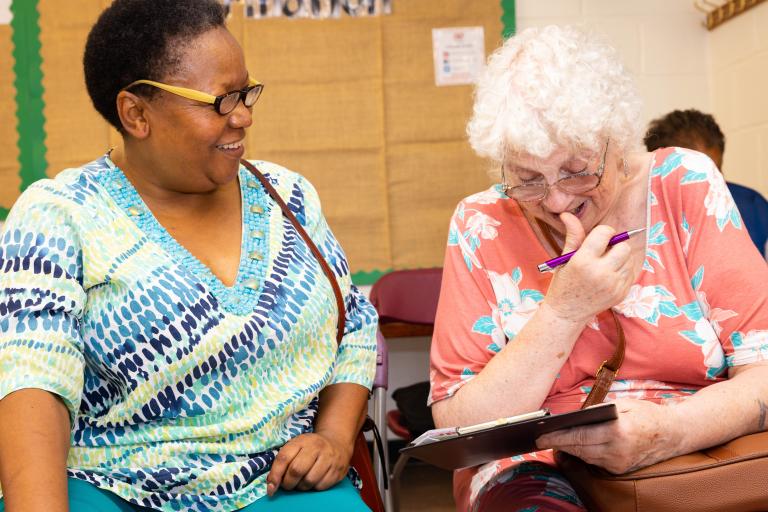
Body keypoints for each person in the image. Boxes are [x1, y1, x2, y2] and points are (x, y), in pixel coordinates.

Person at [0, 1, 377, 511]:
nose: (243, 116)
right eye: (220, 101)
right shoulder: (61, 214)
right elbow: (33, 384)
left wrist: (333, 435)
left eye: (246, 93)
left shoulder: (287, 197)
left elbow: (353, 325)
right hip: (113, 487)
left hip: (280, 483)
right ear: (136, 113)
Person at [429, 25, 768, 512]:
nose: (556, 200)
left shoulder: (684, 183)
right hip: (536, 466)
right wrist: (564, 311)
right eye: (528, 179)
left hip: (695, 452)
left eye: (576, 171)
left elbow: (763, 372)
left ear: (618, 141)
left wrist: (670, 431)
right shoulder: (481, 222)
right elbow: (458, 428)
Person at [645, 108, 768, 257]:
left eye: (716, 173)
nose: (712, 188)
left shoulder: (752, 206)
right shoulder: (646, 222)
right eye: (697, 179)